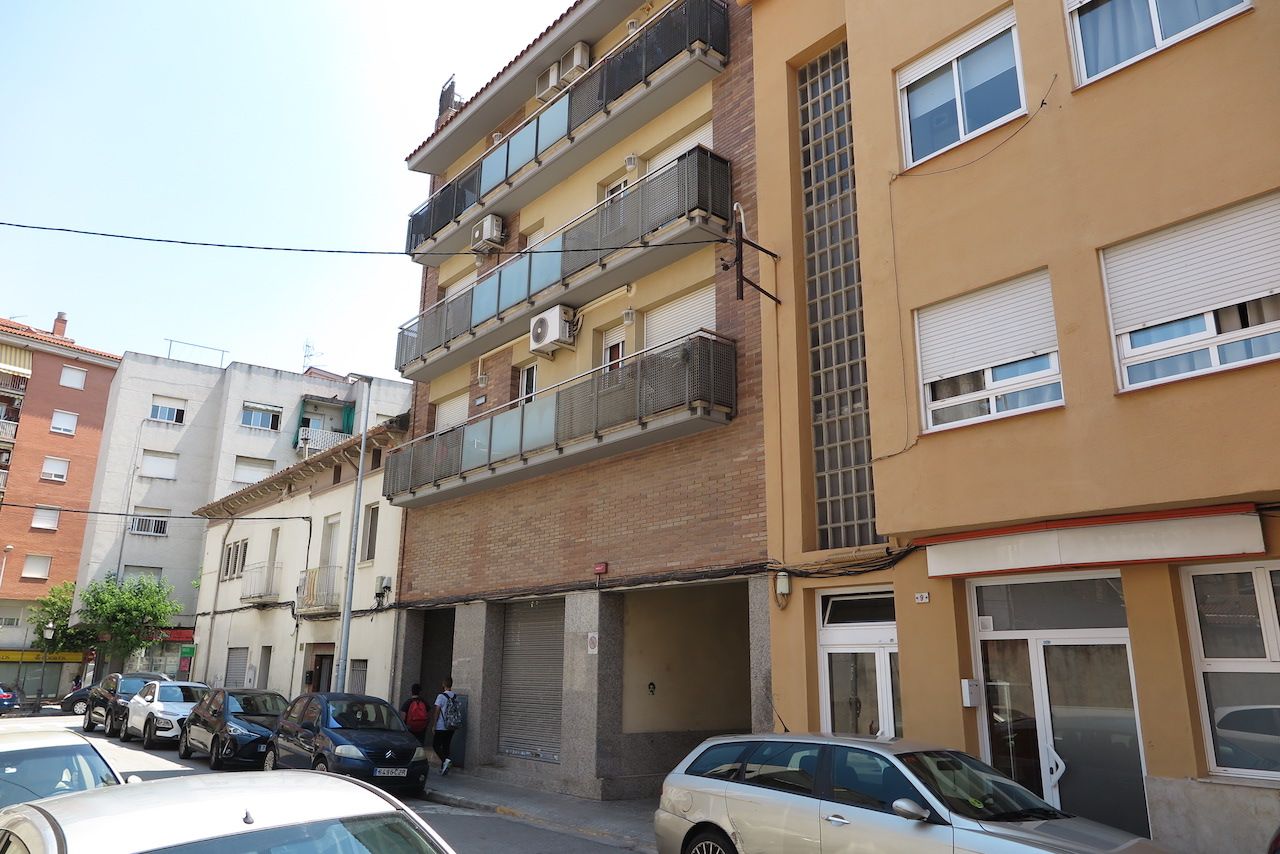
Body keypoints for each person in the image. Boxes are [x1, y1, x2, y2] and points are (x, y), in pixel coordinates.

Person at [430, 677, 461, 775]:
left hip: (441, 726)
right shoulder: (455, 696)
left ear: (443, 684)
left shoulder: (441, 696)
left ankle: (445, 761)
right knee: (446, 746)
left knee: (435, 745)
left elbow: (437, 711)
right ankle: (444, 768)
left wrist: (434, 725)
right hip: (451, 725)